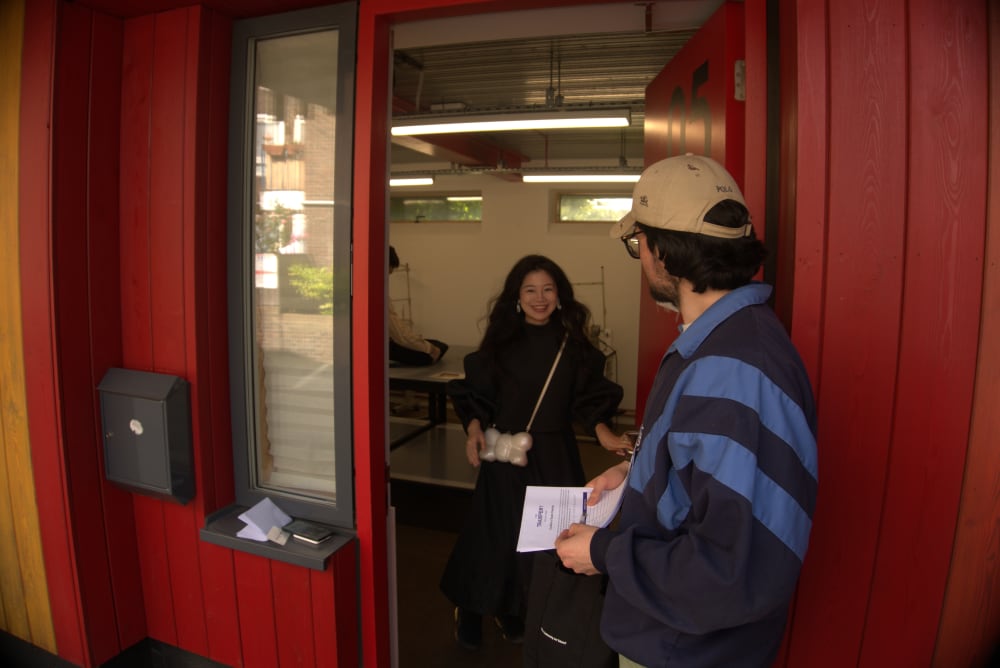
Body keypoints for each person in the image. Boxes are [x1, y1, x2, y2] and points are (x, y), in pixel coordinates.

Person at [554, 154, 819, 667]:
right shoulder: (717, 342)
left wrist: (602, 552)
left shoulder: (737, 372)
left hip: (688, 651)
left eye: (639, 243)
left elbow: (730, 570)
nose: (642, 256)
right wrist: (635, 473)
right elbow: (705, 469)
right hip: (670, 635)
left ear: (663, 253)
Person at [441, 254, 625, 651]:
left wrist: (603, 431)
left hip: (555, 455)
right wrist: (473, 428)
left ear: (559, 296)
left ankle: (514, 608)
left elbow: (586, 398)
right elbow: (477, 395)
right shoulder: (501, 343)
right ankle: (471, 609)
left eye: (547, 289)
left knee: (547, 540)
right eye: (530, 290)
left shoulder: (573, 345)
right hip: (506, 456)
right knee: (493, 536)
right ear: (516, 297)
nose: (539, 298)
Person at [388, 246, 448, 366]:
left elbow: (399, 329)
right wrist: (429, 349)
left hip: (391, 341)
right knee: (431, 354)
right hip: (388, 345)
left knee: (440, 346)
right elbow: (400, 336)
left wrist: (424, 344)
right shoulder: (376, 293)